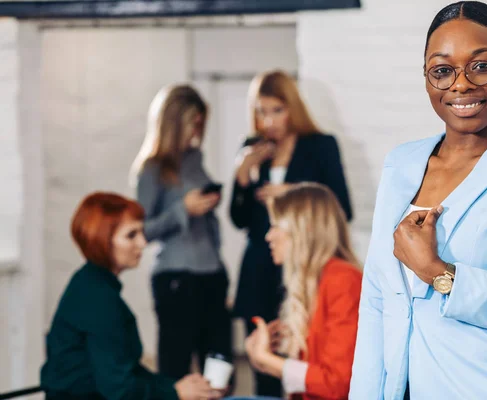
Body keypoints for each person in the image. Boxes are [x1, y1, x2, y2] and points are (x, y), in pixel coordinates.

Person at [349, 2, 487, 399]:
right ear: (426, 79)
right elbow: (376, 302)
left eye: (481, 65)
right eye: (442, 70)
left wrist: (439, 272)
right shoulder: (400, 164)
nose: (461, 84)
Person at [230, 71, 353, 396]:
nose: (268, 120)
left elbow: (341, 209)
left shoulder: (320, 146)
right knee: (271, 359)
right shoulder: (251, 149)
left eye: (276, 110)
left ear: (293, 108)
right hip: (261, 268)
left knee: (307, 348)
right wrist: (242, 177)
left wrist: (292, 193)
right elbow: (239, 219)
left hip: (302, 262)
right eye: (261, 111)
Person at [40, 192, 224, 400]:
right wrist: (175, 392)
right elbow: (120, 389)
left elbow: (126, 370)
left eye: (141, 232)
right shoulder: (98, 298)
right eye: (131, 235)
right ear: (102, 241)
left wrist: (179, 386)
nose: (143, 243)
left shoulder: (91, 283)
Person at [132, 85, 232, 381]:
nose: (198, 130)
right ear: (175, 122)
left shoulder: (195, 159)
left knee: (220, 367)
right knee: (175, 368)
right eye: (193, 123)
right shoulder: (152, 169)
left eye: (201, 123)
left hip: (212, 273)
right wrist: (183, 210)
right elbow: (142, 231)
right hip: (176, 278)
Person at [243, 183, 362, 400]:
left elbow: (337, 384)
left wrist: (267, 358)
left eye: (275, 226)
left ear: (302, 229)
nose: (268, 236)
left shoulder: (343, 280)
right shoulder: (315, 281)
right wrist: (265, 359)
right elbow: (312, 379)